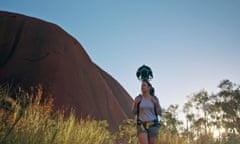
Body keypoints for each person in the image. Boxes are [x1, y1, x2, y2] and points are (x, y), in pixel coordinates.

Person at [132, 80, 162, 144]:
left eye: (144, 85)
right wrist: (135, 104)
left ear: (149, 88)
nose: (142, 87)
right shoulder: (138, 98)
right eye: (141, 86)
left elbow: (159, 112)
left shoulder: (154, 98)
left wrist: (156, 104)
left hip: (153, 125)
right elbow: (134, 112)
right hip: (141, 125)